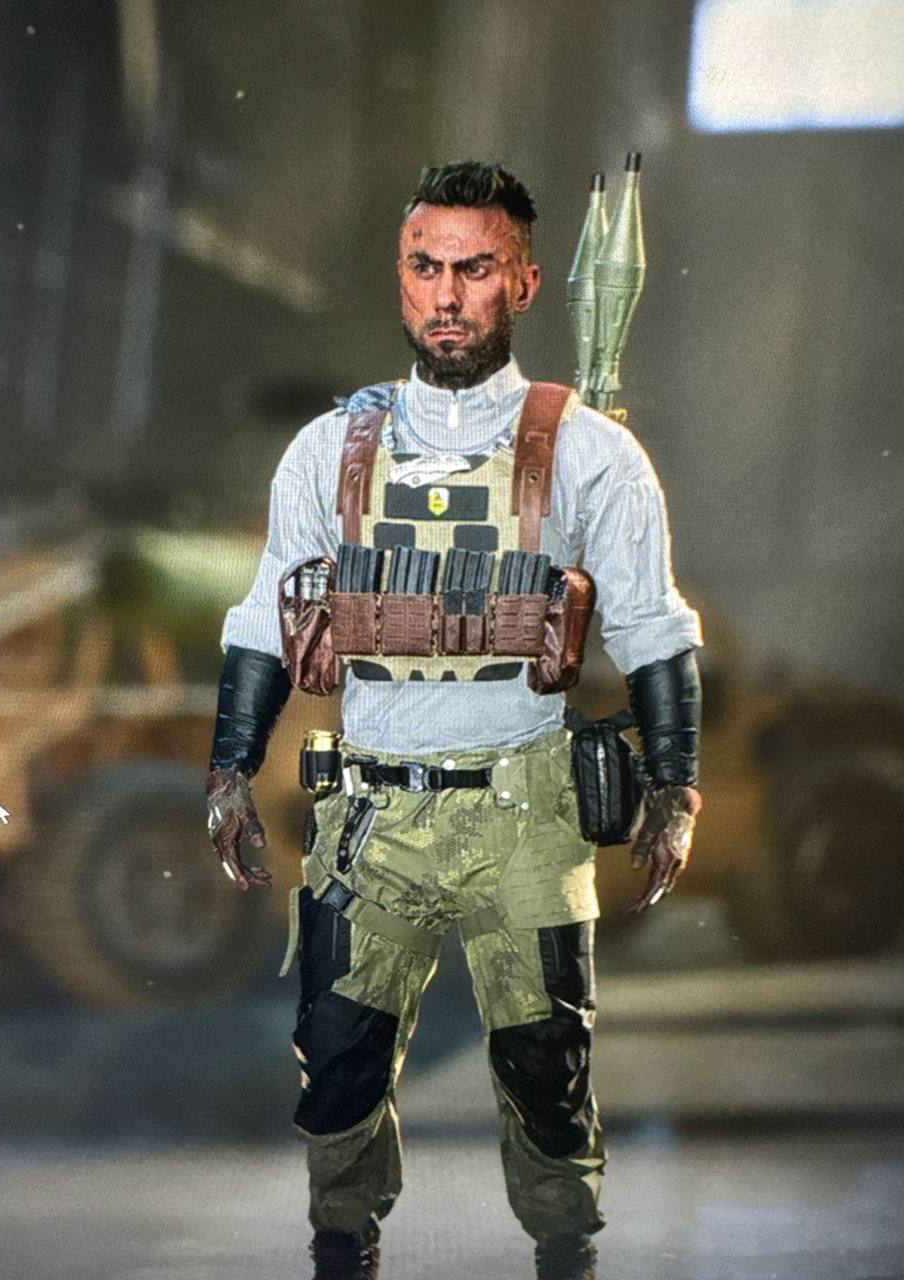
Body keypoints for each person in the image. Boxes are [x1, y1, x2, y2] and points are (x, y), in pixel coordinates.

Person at [206, 161, 703, 1280]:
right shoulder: (331, 450)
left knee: (548, 1070)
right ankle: (344, 1251)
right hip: (370, 818)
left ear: (523, 281)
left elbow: (653, 628)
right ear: (400, 277)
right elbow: (263, 617)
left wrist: (677, 785)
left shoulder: (591, 452)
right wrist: (229, 769)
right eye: (424, 267)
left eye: (475, 269)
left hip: (526, 810)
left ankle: (566, 1253)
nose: (446, 294)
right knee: (337, 1070)